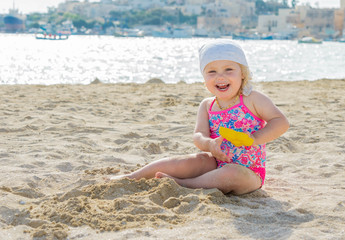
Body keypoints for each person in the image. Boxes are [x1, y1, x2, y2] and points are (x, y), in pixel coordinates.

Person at [110, 39, 289, 195]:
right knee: (191, 160)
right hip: (215, 163)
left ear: (242, 73)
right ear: (204, 77)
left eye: (229, 69)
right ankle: (132, 177)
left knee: (231, 173)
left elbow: (281, 122)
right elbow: (198, 136)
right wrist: (209, 144)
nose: (220, 76)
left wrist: (255, 138)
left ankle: (185, 184)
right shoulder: (207, 105)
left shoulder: (252, 99)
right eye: (212, 72)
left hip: (249, 173)